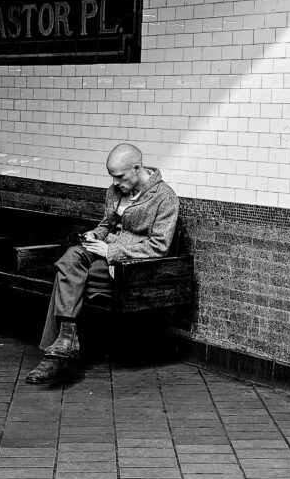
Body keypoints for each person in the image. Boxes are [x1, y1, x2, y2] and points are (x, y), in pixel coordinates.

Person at [25, 143, 179, 385]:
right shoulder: (115, 191)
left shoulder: (164, 198)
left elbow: (159, 246)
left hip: (128, 266)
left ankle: (56, 354)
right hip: (102, 252)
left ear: (137, 168)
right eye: (112, 177)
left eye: (120, 176)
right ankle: (67, 339)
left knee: (67, 277)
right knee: (69, 258)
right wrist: (95, 236)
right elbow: (106, 225)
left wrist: (112, 251)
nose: (115, 182)